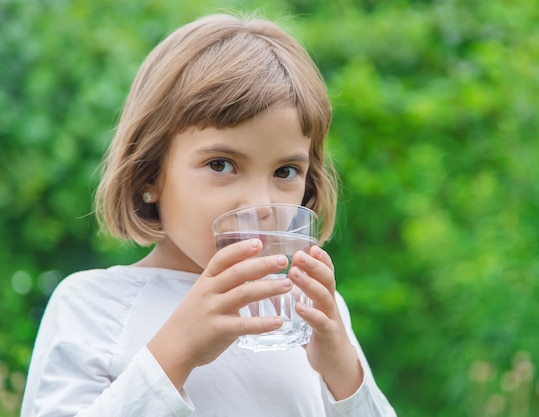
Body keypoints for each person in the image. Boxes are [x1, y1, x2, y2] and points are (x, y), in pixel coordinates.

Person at [21, 13, 396, 417]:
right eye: (221, 164)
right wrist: (174, 354)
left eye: (285, 172)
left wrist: (342, 370)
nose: (261, 204)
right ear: (150, 173)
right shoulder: (93, 306)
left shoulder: (313, 313)